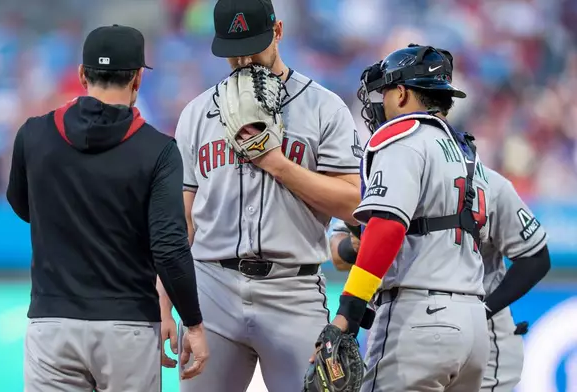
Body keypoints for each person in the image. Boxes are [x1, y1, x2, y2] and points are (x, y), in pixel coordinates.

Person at [157, 0, 362, 391]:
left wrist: (279, 165)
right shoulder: (198, 113)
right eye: (235, 52)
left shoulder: (323, 107)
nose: (246, 59)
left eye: (256, 46)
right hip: (212, 290)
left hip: (293, 290)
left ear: (278, 32)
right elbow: (179, 223)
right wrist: (164, 297)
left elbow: (353, 204)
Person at [6, 24, 208, 392]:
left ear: (82, 75)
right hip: (127, 327)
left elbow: (21, 205)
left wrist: (70, 221)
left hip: (51, 322)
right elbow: (169, 246)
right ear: (136, 80)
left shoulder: (32, 134)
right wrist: (193, 323)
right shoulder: (158, 149)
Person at [321, 44, 493, 392]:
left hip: (419, 321)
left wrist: (348, 313)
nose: (380, 101)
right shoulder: (468, 154)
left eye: (385, 91)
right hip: (474, 326)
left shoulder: (402, 138)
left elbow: (387, 228)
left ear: (401, 93)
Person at [329, 162, 551, 391]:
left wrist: (484, 309)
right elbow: (337, 255)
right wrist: (358, 246)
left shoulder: (490, 183)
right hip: (403, 327)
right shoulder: (390, 175)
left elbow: (536, 257)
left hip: (484, 337)